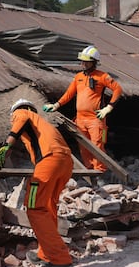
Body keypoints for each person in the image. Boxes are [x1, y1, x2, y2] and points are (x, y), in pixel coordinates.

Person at [0, 98, 75, 267]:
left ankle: (60, 258)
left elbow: (20, 119)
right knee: (48, 207)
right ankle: (46, 253)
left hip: (49, 163)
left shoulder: (22, 112)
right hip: (65, 163)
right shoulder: (43, 126)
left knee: (34, 208)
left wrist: (5, 147)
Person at [43, 45, 123, 175]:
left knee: (97, 146)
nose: (83, 64)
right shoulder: (78, 77)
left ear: (94, 62)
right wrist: (56, 105)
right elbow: (69, 94)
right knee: (84, 147)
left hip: (96, 119)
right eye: (82, 61)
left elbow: (118, 89)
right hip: (80, 119)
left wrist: (109, 107)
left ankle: (99, 173)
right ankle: (89, 172)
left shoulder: (102, 76)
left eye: (86, 61)